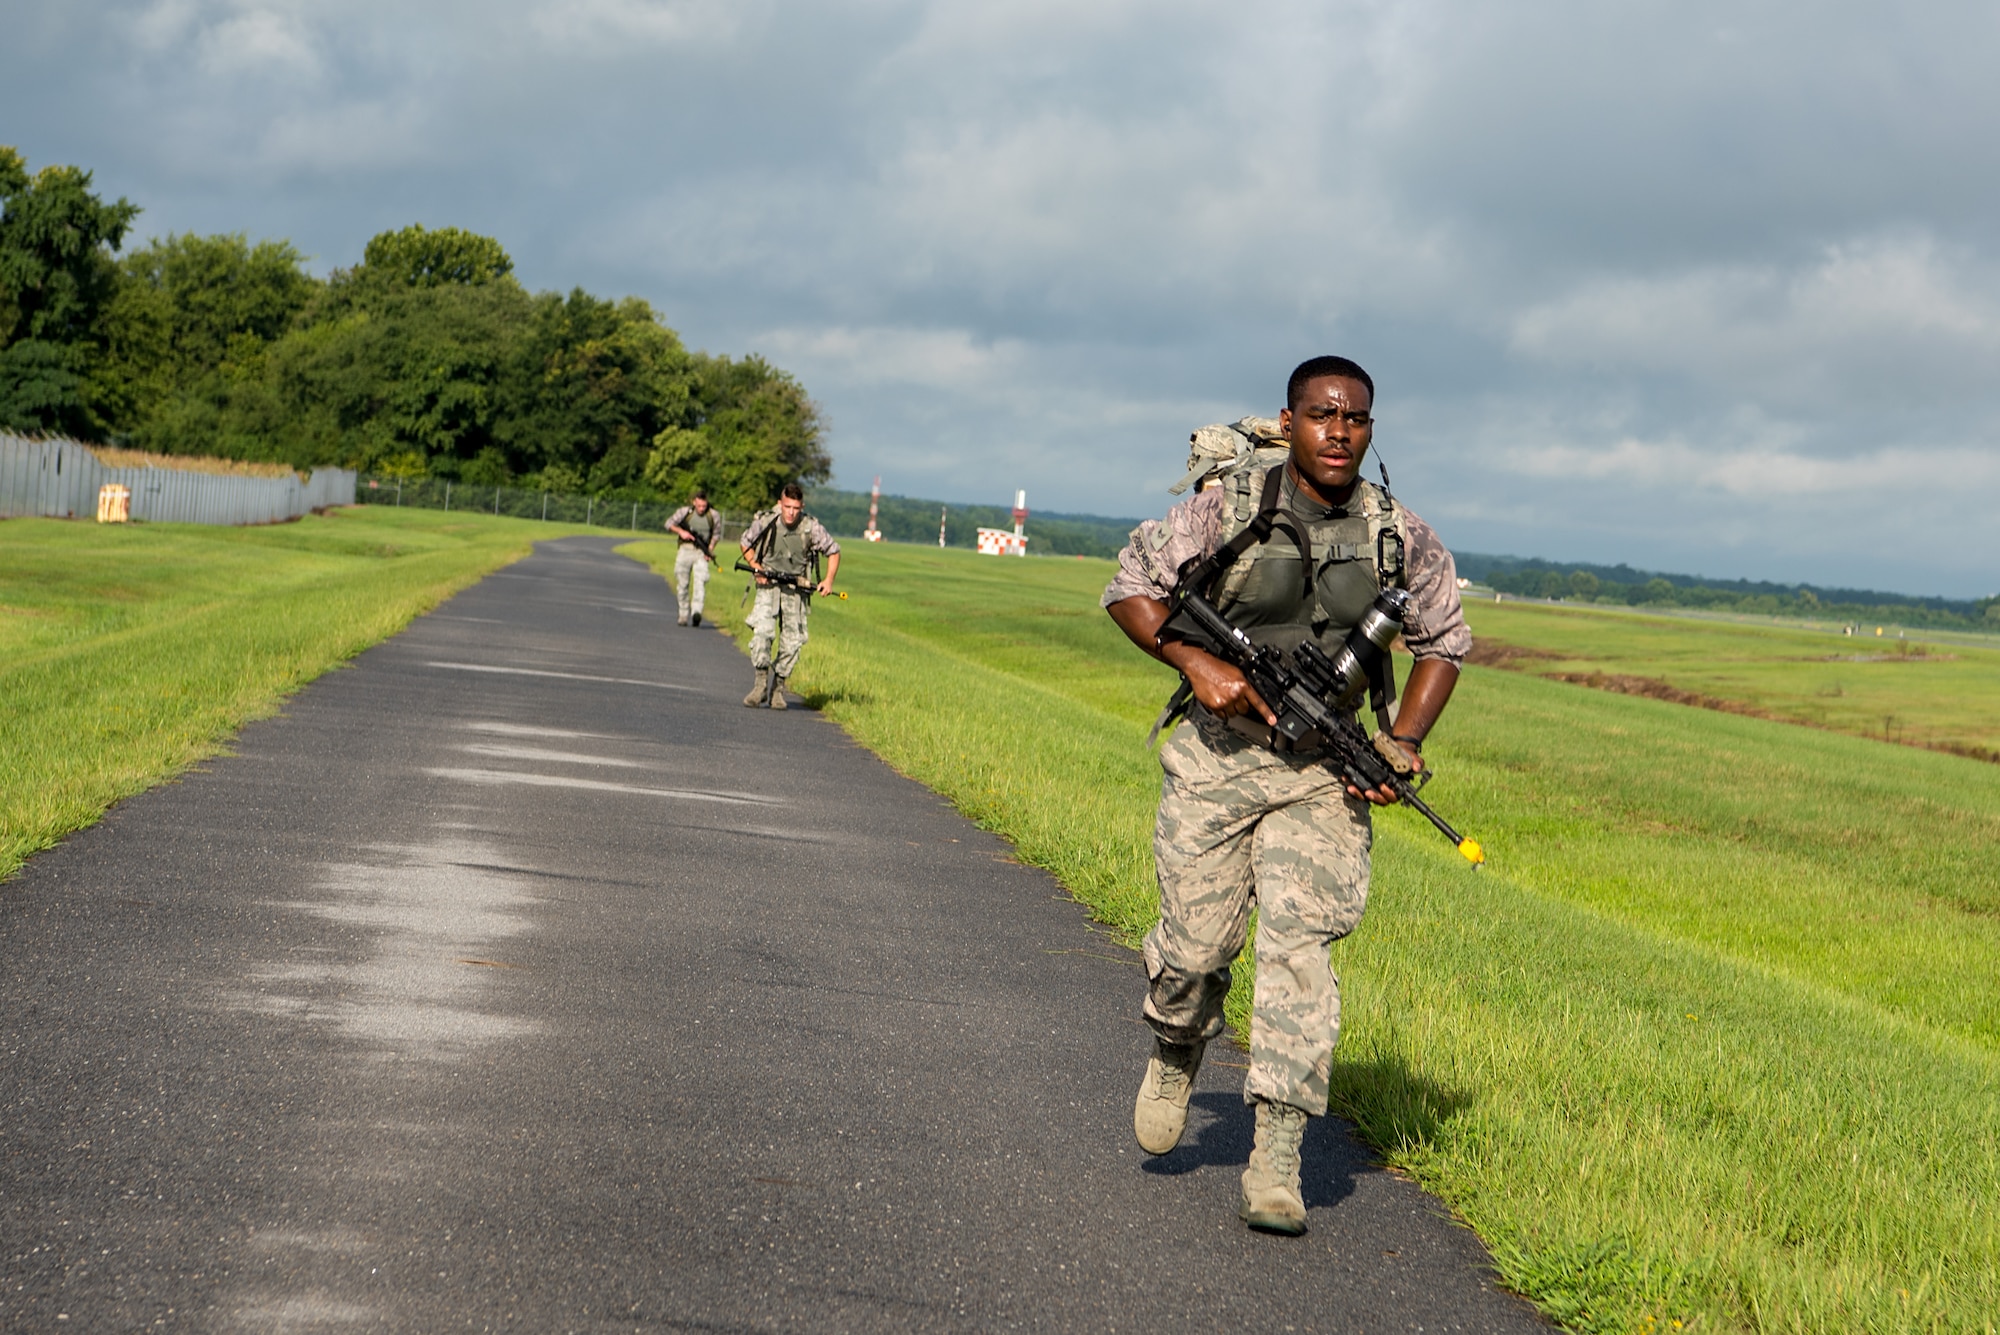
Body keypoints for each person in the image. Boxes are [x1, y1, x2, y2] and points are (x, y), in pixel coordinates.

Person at [1101, 355, 1470, 1236]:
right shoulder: (1228, 505)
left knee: (1300, 950)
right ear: (1289, 419)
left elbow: (1444, 639)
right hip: (1221, 751)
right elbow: (1130, 588)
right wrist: (1199, 662)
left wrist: (1403, 741)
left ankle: (1275, 1154)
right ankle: (1177, 1042)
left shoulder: (1396, 532)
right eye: (1322, 414)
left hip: (1322, 770)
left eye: (1356, 418)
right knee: (1195, 948)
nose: (1339, 431)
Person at [737, 482, 841, 710]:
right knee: (762, 634)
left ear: (802, 506)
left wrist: (829, 580)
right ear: (779, 504)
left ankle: (778, 688)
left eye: (796, 508)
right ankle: (760, 685)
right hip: (769, 586)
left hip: (796, 589)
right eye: (787, 507)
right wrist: (755, 566)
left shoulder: (811, 527)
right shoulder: (766, 521)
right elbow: (745, 542)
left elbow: (833, 550)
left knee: (794, 641)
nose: (791, 513)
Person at [665, 490, 721, 626]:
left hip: (701, 553)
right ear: (694, 502)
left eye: (704, 506)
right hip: (685, 550)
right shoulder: (685, 512)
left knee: (700, 582)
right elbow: (668, 524)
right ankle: (683, 614)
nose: (701, 509)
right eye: (699, 505)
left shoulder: (713, 515)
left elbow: (716, 535)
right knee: (682, 584)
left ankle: (697, 612)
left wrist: (709, 551)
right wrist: (681, 532)